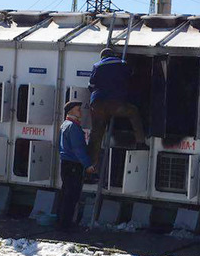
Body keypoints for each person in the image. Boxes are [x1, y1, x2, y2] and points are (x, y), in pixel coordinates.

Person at [87, 48, 146, 164]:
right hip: (115, 103)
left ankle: (90, 168)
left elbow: (91, 85)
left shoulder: (97, 65)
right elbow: (132, 79)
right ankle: (140, 143)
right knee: (133, 112)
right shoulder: (122, 63)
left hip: (97, 104)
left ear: (102, 57)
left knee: (96, 134)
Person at [57, 100, 95, 231]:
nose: (81, 112)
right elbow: (78, 148)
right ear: (71, 111)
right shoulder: (73, 127)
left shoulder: (65, 125)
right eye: (78, 109)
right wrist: (88, 164)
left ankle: (61, 222)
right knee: (72, 195)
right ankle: (66, 226)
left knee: (65, 194)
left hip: (66, 163)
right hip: (74, 165)